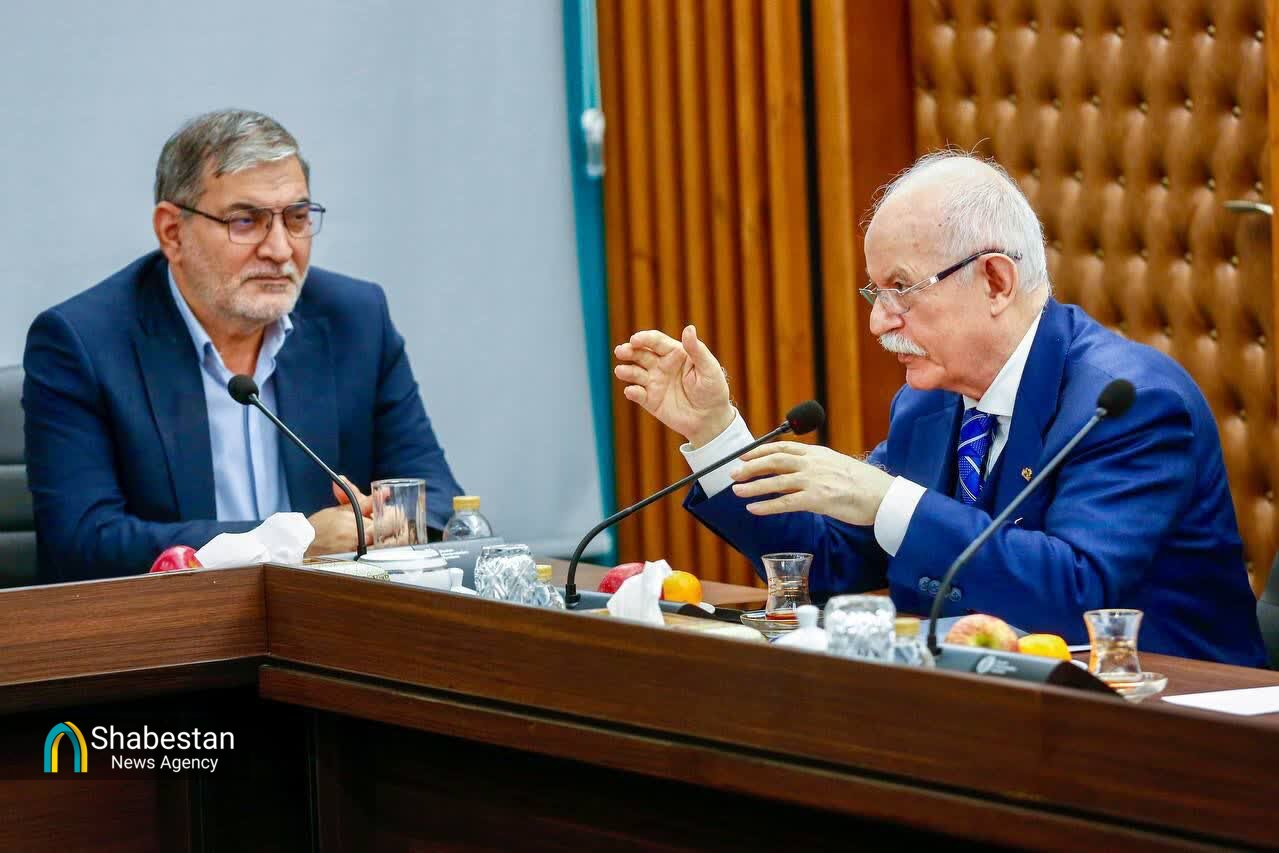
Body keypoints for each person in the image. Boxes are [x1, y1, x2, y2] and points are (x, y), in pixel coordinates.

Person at [614, 152, 1266, 666]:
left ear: (995, 281)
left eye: (901, 288)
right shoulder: (928, 403)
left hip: (1173, 724)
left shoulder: (1126, 401)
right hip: (988, 712)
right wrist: (715, 434)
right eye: (875, 292)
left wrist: (887, 499)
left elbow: (1075, 596)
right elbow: (827, 564)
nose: (878, 322)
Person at [24, 109, 463, 583]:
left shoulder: (356, 320)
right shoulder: (82, 342)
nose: (280, 249)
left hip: (332, 614)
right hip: (175, 622)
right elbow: (83, 543)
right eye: (246, 221)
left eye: (296, 218)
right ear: (172, 231)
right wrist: (292, 543)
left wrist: (378, 525)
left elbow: (437, 497)